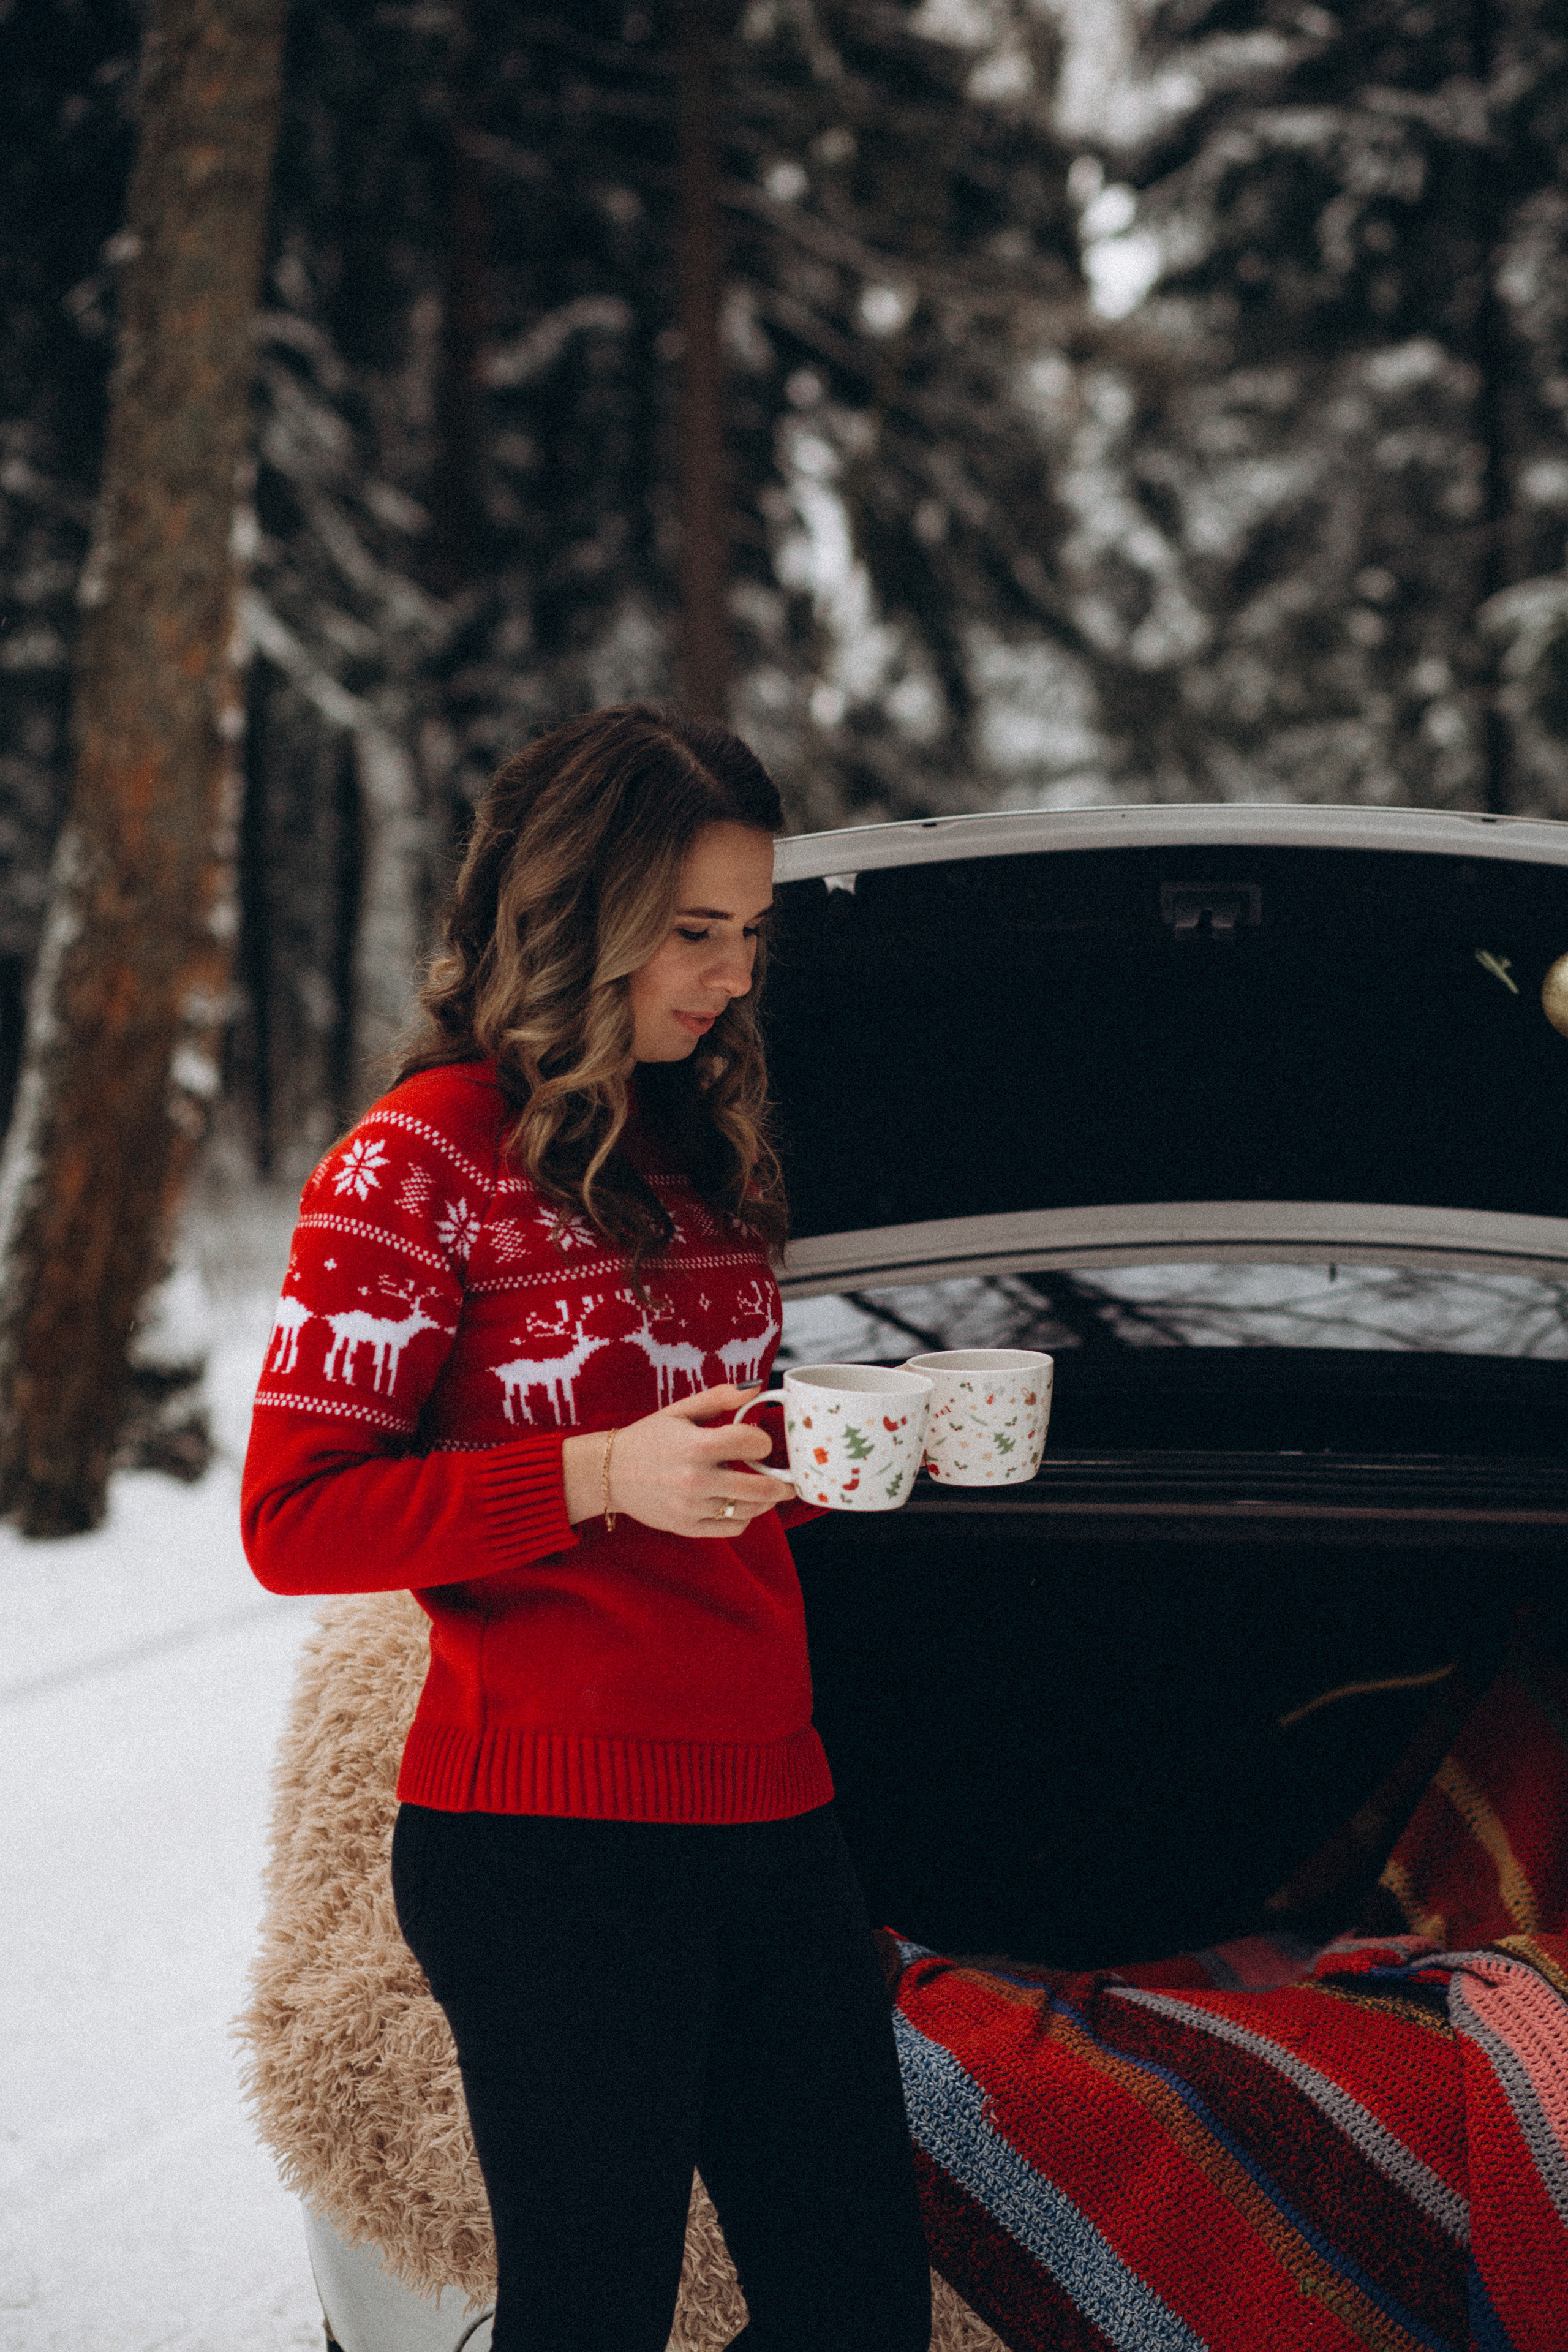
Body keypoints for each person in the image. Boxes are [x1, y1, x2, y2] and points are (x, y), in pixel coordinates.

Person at [241, 704, 933, 2352]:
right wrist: (594, 1479)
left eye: (753, 933)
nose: (736, 974)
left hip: (775, 1809)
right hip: (547, 1845)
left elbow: (706, 1445)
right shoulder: (411, 1165)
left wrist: (836, 1448)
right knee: (594, 2317)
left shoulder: (707, 1147)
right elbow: (294, 1520)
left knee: (858, 2315)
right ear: (578, 911)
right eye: (697, 932)